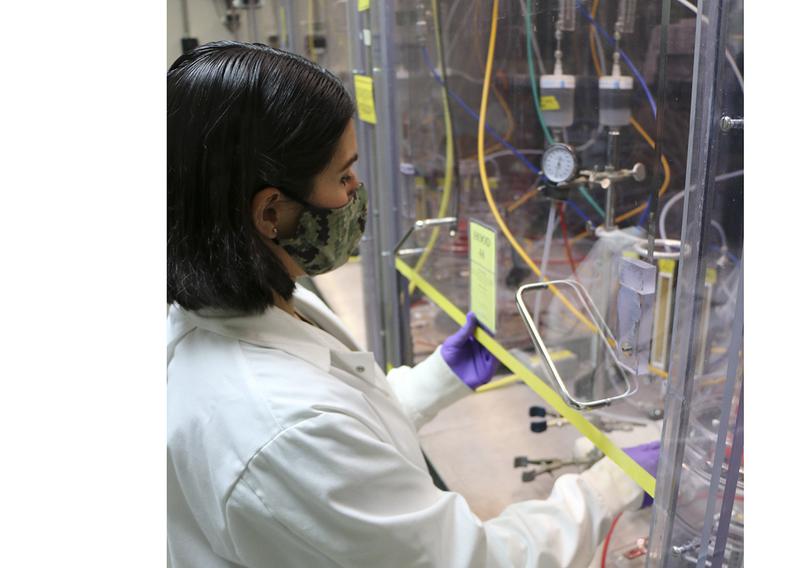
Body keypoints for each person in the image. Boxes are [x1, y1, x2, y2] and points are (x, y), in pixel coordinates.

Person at [167, 41, 660, 568]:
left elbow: (348, 431)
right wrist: (608, 485)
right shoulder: (279, 428)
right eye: (343, 175)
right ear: (270, 213)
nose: (357, 189)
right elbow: (474, 560)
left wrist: (439, 377)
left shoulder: (237, 307)